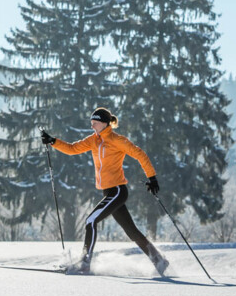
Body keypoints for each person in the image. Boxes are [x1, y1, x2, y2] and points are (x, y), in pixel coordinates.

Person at [40, 107, 169, 275]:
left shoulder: (117, 140)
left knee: (90, 221)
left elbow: (139, 154)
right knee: (131, 231)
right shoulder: (94, 140)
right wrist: (53, 141)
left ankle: (85, 262)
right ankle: (159, 261)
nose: (92, 127)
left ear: (105, 124)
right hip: (108, 192)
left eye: (95, 123)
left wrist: (152, 178)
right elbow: (72, 149)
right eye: (91, 124)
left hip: (117, 191)